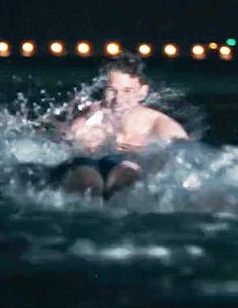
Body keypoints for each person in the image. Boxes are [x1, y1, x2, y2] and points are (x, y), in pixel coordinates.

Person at [53, 54, 188, 199]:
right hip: (86, 165)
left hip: (129, 166)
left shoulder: (159, 123)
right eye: (112, 90)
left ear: (142, 92)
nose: (118, 99)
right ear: (104, 90)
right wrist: (79, 138)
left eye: (127, 91)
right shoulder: (91, 113)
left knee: (128, 175)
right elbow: (64, 140)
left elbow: (186, 156)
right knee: (87, 180)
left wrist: (145, 151)